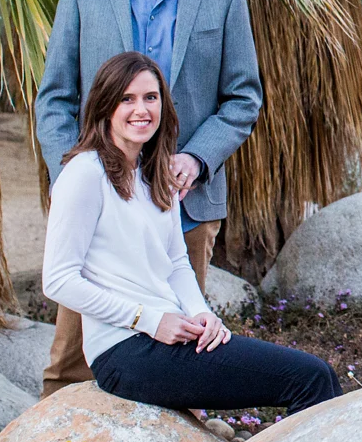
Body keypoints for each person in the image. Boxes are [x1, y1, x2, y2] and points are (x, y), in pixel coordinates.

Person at [35, 0, 262, 397]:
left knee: (184, 354)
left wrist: (197, 157)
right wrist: (83, 176)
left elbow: (243, 97)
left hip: (185, 205)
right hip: (99, 214)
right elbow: (54, 99)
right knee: (70, 364)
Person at [42, 52, 339, 415]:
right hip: (126, 350)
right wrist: (149, 320)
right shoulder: (84, 174)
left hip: (170, 333)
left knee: (316, 375)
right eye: (127, 99)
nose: (142, 110)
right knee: (310, 379)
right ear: (105, 107)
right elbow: (58, 280)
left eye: (151, 98)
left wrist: (201, 313)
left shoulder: (155, 174)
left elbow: (176, 261)